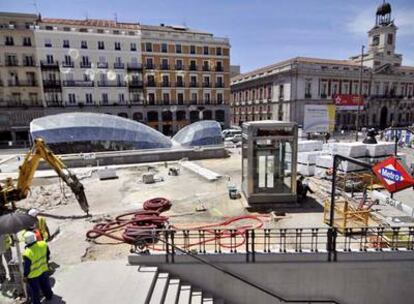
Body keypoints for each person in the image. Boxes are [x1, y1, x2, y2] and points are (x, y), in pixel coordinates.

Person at [23, 231, 53, 304]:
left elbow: (27, 267)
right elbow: (48, 254)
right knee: (46, 285)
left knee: (35, 291)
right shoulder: (43, 244)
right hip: (43, 269)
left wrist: (25, 276)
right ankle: (49, 296)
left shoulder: (27, 253)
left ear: (26, 241)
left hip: (33, 275)